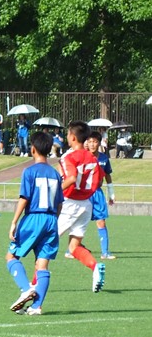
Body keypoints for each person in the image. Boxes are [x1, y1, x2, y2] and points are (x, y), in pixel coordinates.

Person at [6, 131, 63, 316]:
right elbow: (60, 203)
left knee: (11, 257)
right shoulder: (55, 174)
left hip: (34, 218)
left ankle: (25, 289)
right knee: (42, 265)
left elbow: (24, 198)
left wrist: (14, 221)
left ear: (33, 149)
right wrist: (53, 220)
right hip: (52, 220)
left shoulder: (29, 171)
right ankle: (37, 306)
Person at [57, 120, 106, 293]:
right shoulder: (93, 158)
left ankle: (34, 285)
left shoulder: (68, 157)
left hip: (70, 203)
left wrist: (55, 192)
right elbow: (98, 180)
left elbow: (69, 178)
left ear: (72, 137)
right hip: (86, 205)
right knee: (73, 247)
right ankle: (94, 267)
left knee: (46, 242)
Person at [83, 131, 117, 260]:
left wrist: (111, 194)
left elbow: (108, 176)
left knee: (101, 222)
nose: (92, 144)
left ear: (99, 142)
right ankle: (72, 249)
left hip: (97, 193)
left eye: (95, 142)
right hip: (84, 193)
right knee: (78, 222)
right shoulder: (82, 157)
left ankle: (105, 252)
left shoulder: (103, 158)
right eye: (89, 141)